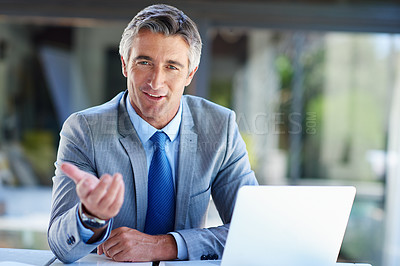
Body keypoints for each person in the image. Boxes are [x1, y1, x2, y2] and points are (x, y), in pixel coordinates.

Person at [47, 4, 258, 263]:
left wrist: (165, 245)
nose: (156, 82)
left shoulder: (219, 127)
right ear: (125, 65)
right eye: (144, 62)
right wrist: (90, 216)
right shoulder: (83, 130)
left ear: (190, 74)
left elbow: (251, 231)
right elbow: (60, 244)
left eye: (172, 66)